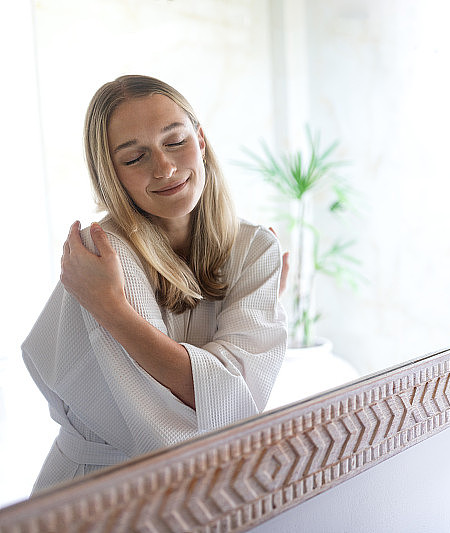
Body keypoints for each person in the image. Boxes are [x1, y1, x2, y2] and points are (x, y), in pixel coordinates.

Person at [22, 75, 288, 493]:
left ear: (200, 139)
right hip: (97, 493)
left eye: (175, 141)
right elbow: (169, 426)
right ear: (111, 174)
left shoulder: (255, 247)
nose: (164, 167)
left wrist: (114, 310)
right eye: (134, 158)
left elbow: (240, 405)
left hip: (195, 487)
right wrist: (222, 385)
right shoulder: (102, 255)